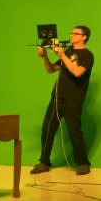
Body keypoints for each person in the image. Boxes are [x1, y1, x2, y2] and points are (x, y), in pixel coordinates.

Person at [30, 25, 95, 175]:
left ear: (84, 37)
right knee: (47, 129)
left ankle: (83, 163)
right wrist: (45, 56)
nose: (71, 35)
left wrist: (62, 55)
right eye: (71, 32)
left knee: (74, 131)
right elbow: (51, 69)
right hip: (57, 97)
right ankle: (44, 162)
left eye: (75, 33)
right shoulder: (68, 52)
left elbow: (77, 72)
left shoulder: (87, 55)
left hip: (74, 99)